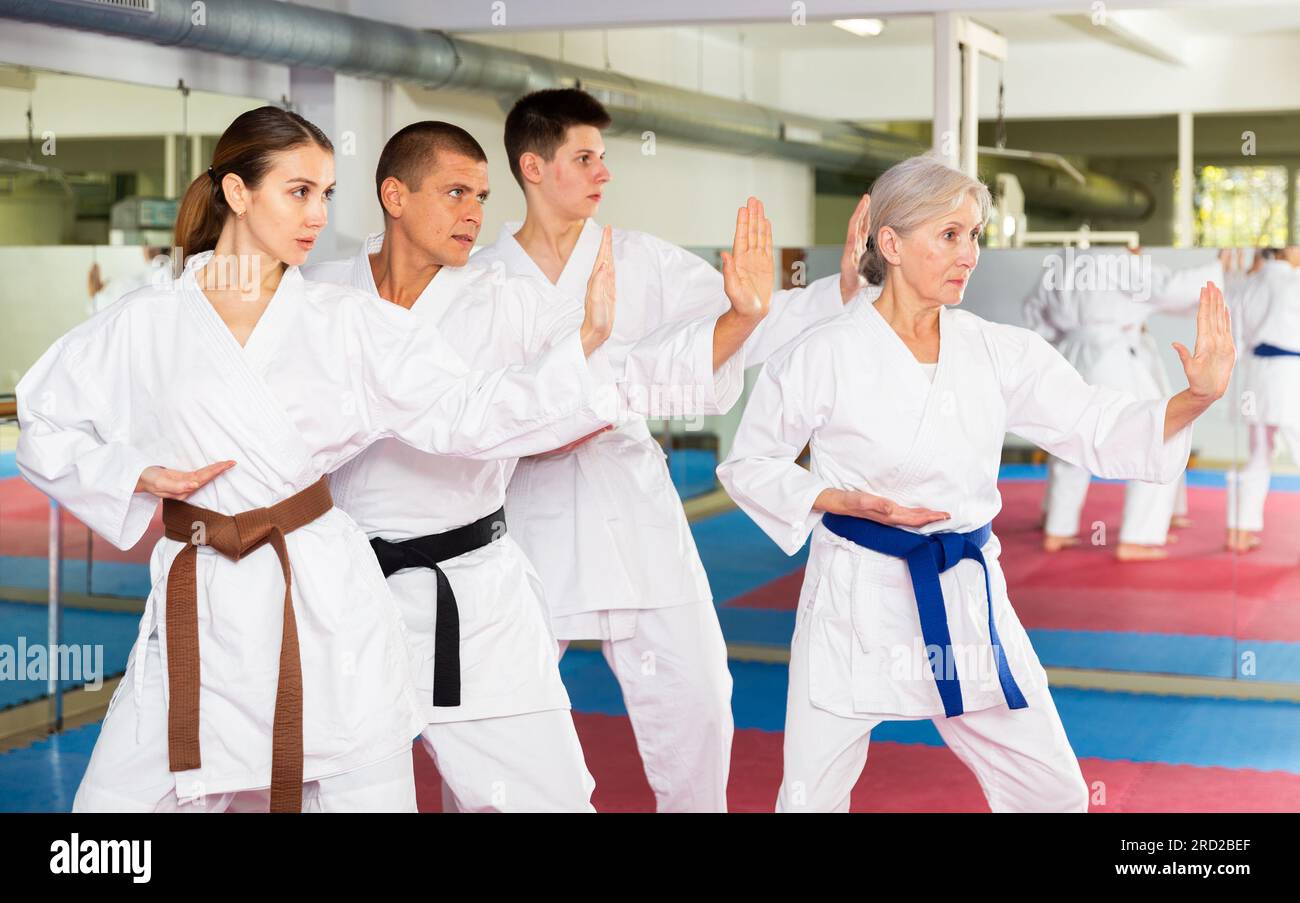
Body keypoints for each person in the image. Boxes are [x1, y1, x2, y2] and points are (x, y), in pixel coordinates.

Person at [15, 106, 613, 813]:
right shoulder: (150, 319)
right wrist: (129, 473)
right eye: (299, 191)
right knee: (108, 817)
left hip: (324, 602)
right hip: (199, 602)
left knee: (364, 791)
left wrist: (586, 342)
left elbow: (468, 410)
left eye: (326, 194)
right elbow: (43, 413)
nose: (317, 215)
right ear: (238, 193)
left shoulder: (344, 322)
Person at [716, 154, 1234, 812]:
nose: (970, 254)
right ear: (892, 243)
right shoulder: (822, 352)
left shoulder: (995, 348)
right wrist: (829, 497)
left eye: (976, 235)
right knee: (810, 796)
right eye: (950, 235)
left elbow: (1093, 422)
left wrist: (1194, 398)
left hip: (964, 595)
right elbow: (750, 461)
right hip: (855, 597)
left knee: (1053, 791)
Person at [473, 87, 869, 812]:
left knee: (700, 694)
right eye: (584, 157)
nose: (603, 172)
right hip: (527, 514)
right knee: (500, 717)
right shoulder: (482, 280)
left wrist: (835, 293)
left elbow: (745, 319)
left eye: (604, 157)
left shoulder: (639, 260)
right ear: (534, 166)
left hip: (634, 507)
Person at [304, 121, 624, 811]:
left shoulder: (507, 300)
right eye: (455, 192)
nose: (474, 211)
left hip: (474, 598)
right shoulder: (319, 297)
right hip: (345, 593)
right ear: (395, 194)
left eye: (481, 194)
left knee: (551, 797)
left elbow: (603, 385)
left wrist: (735, 323)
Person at [1023, 246, 1223, 559]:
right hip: (1111, 359)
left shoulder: (1064, 259)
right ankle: (1138, 537)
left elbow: (1035, 312)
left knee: (1072, 440)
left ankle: (1057, 529)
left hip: (1070, 355)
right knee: (1155, 438)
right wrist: (1218, 267)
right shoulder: (1116, 258)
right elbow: (1167, 289)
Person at [1223, 245, 1300, 551]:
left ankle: (1238, 531)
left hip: (1255, 376)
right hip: (1291, 376)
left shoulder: (1246, 285)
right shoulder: (1295, 282)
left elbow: (1236, 339)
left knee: (1257, 455)